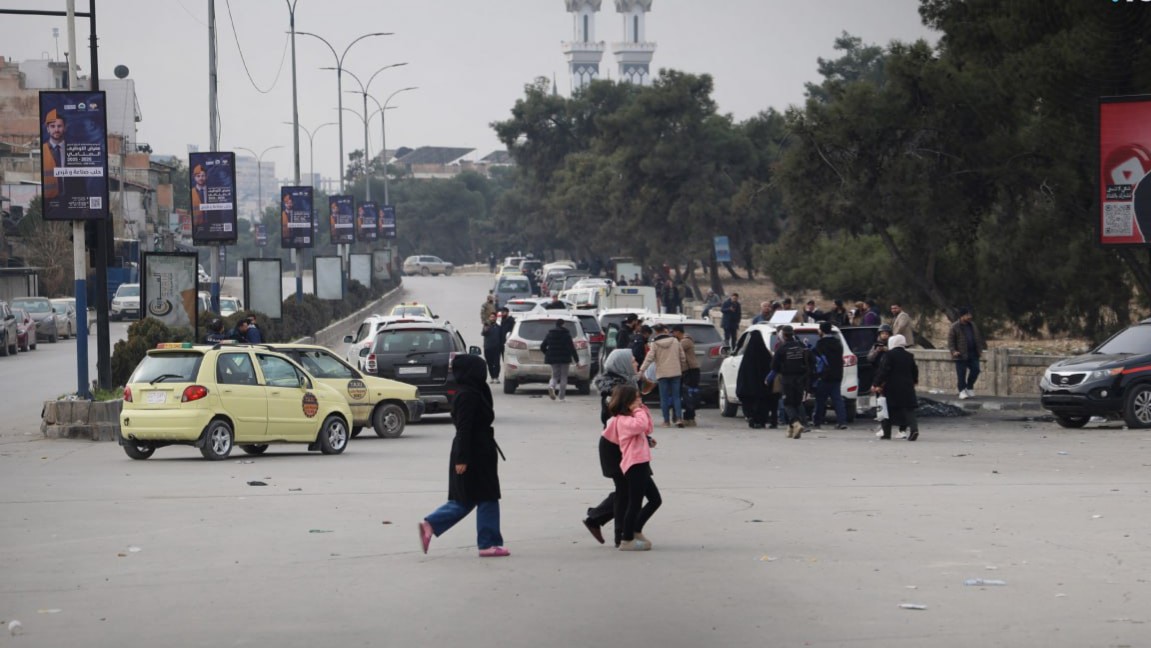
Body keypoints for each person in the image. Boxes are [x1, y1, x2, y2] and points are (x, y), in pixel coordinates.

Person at [418, 354, 508, 557]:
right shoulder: (467, 395)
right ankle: (487, 543)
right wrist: (462, 458)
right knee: (484, 496)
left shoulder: (476, 390)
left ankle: (431, 524)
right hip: (473, 452)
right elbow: (463, 429)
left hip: (482, 450)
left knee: (471, 498)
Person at [583, 349, 640, 546]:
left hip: (625, 444)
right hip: (615, 447)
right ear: (622, 364)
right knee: (626, 489)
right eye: (632, 361)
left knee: (627, 489)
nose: (636, 363)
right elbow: (612, 420)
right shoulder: (615, 391)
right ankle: (620, 535)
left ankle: (598, 519)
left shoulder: (627, 384)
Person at [601, 384, 661, 551]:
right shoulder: (623, 420)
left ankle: (635, 530)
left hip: (642, 462)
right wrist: (638, 410)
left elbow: (648, 427)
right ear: (627, 402)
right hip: (634, 464)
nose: (639, 401)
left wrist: (641, 408)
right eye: (636, 398)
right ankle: (626, 539)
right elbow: (641, 425)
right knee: (634, 503)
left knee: (655, 500)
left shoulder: (633, 416)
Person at [873, 334, 920, 441]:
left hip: (891, 386)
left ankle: (886, 433)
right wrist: (914, 381)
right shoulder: (909, 355)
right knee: (909, 409)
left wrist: (876, 384)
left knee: (886, 409)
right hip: (907, 386)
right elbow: (914, 370)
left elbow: (883, 371)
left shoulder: (889, 355)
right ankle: (914, 429)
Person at [639, 324, 687, 428]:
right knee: (676, 396)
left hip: (662, 373)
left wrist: (642, 370)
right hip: (675, 372)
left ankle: (666, 421)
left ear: (656, 332)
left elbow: (649, 358)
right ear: (665, 330)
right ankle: (679, 418)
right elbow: (682, 357)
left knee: (664, 397)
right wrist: (682, 369)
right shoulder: (675, 341)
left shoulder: (655, 344)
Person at [771, 325, 813, 439]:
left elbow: (774, 366)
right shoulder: (802, 346)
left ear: (784, 335)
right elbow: (811, 360)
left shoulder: (781, 348)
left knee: (788, 404)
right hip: (801, 379)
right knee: (797, 403)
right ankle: (791, 429)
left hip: (787, 379)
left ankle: (796, 423)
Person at [812, 321, 848, 430]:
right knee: (837, 399)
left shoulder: (821, 344)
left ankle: (817, 421)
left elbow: (816, 358)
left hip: (824, 375)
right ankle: (842, 421)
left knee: (820, 400)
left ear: (822, 331)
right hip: (837, 374)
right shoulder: (837, 342)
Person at [735, 329, 773, 429]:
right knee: (762, 402)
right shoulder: (765, 354)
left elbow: (742, 374)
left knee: (749, 402)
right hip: (762, 387)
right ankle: (761, 420)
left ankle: (751, 418)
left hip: (749, 388)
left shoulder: (747, 357)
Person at [948, 308, 986, 399]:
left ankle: (969, 387)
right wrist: (954, 351)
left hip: (973, 353)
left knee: (976, 370)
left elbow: (978, 338)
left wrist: (980, 350)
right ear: (962, 316)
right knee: (961, 373)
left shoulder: (972, 325)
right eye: (967, 315)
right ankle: (962, 390)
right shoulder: (954, 327)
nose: (970, 317)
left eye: (970, 315)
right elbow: (951, 341)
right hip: (960, 354)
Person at [540, 319, 579, 401]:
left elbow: (542, 346)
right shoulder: (567, 335)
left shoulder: (550, 334)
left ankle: (551, 386)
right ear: (563, 324)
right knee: (564, 377)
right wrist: (577, 360)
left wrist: (548, 353)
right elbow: (572, 348)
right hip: (565, 358)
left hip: (553, 358)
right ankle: (561, 397)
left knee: (554, 376)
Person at [671, 325, 700, 427]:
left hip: (691, 371)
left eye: (673, 333)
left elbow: (675, 349)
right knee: (687, 394)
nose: (673, 335)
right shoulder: (682, 341)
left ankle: (690, 418)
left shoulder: (685, 341)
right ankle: (688, 417)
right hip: (686, 371)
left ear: (678, 332)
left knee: (689, 395)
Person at [41, 108, 66, 203]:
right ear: (47, 129)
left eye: (59, 126)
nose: (56, 130)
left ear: (65, 128)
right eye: (52, 126)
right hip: (49, 202)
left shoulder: (72, 149)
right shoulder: (43, 150)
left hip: (70, 201)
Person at [481, 312, 504, 383]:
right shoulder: (487, 326)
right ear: (489, 318)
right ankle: (492, 377)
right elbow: (483, 333)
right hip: (488, 348)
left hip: (496, 348)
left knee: (496, 363)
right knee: (489, 363)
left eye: (493, 317)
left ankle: (496, 377)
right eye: (491, 317)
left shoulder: (498, 327)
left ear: (496, 318)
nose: (492, 318)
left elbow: (501, 337)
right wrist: (486, 328)